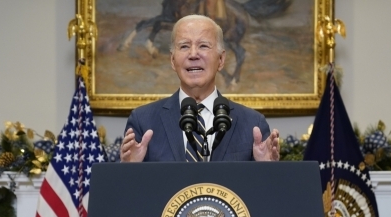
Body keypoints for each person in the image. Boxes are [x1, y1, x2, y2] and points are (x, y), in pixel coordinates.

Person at [120, 14, 280, 163]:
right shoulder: (143, 121)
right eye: (184, 46)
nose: (193, 54)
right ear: (172, 60)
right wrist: (130, 169)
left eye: (203, 46)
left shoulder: (252, 124)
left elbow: (264, 190)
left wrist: (267, 170)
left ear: (221, 60)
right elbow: (129, 190)